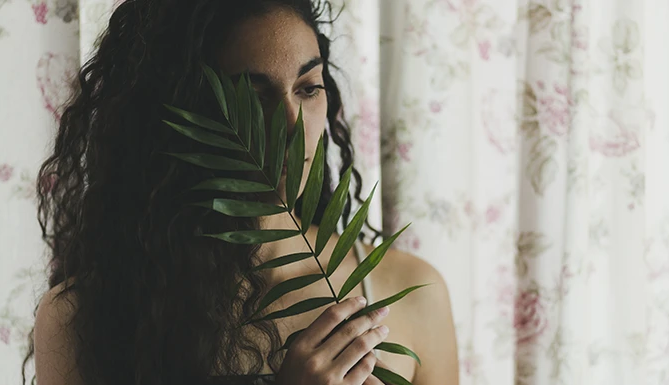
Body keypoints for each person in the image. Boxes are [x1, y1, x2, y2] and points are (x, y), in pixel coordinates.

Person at [24, 0, 459, 384]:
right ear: (181, 111)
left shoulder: (411, 293)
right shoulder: (84, 319)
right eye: (253, 96)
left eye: (308, 89)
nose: (291, 128)